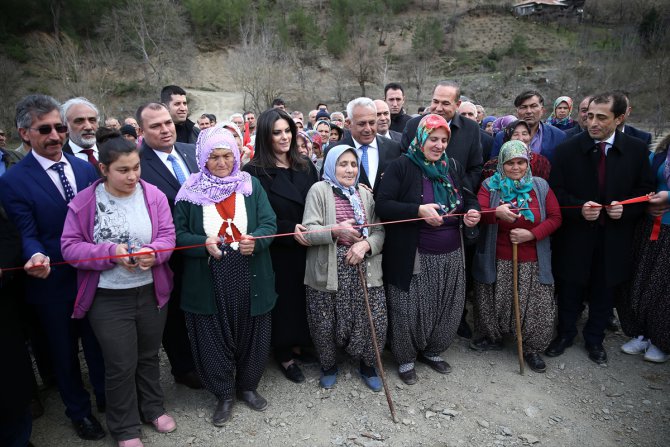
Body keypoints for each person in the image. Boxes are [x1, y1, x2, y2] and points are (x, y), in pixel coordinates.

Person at [61, 129, 177, 447]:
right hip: (108, 297)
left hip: (151, 290)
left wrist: (153, 253)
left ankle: (152, 407)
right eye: (123, 170)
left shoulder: (152, 194)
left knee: (149, 355)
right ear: (104, 169)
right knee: (119, 363)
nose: (132, 176)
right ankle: (125, 427)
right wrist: (110, 253)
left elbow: (168, 236)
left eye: (136, 167)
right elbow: (69, 248)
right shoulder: (85, 202)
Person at [0, 94, 105, 440]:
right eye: (44, 129)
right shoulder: (13, 181)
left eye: (60, 127)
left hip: (93, 275)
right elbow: (26, 232)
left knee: (99, 343)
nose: (55, 135)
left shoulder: (84, 168)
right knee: (63, 352)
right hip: (51, 281)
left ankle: (107, 399)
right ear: (24, 133)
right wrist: (34, 256)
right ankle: (79, 411)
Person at [174, 127, 277, 425]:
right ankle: (223, 394)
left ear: (236, 156)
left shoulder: (250, 185)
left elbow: (269, 223)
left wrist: (256, 240)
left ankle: (247, 387)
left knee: (252, 331)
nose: (221, 163)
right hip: (209, 277)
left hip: (249, 272)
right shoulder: (189, 192)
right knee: (212, 336)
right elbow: (179, 234)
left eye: (227, 156)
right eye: (214, 157)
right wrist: (201, 245)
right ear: (203, 159)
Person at [546, 92, 654, 365]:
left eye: (601, 117)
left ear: (619, 118)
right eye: (589, 115)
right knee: (570, 286)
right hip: (575, 235)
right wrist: (578, 207)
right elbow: (555, 193)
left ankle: (595, 340)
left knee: (605, 290)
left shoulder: (637, 149)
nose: (592, 122)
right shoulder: (567, 150)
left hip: (615, 236)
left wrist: (626, 209)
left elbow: (645, 192)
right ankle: (565, 334)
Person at [376, 114, 481, 385]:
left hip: (450, 253)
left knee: (446, 305)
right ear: (420, 138)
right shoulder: (401, 166)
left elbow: (467, 197)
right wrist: (417, 211)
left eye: (444, 140)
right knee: (408, 309)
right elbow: (383, 206)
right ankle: (406, 357)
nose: (439, 145)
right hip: (414, 255)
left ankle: (433, 351)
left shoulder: (452, 167)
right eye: (433, 139)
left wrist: (471, 211)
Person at [470, 140, 562, 373]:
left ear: (528, 162)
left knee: (534, 306)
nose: (516, 167)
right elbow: (479, 213)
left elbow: (555, 217)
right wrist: (495, 213)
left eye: (520, 162)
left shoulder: (540, 186)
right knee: (496, 302)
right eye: (510, 163)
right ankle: (494, 336)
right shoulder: (490, 185)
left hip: (532, 260)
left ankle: (531, 348)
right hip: (498, 257)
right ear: (501, 163)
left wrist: (531, 234)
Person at [302, 144, 387, 391]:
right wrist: (335, 231)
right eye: (343, 164)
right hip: (328, 265)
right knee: (324, 319)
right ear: (331, 166)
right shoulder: (319, 190)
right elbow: (307, 230)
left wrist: (366, 246)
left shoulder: (366, 194)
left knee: (374, 318)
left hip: (364, 263)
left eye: (353, 164)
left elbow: (380, 230)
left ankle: (369, 364)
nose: (349, 170)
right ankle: (328, 365)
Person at [244, 108, 319, 384]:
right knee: (284, 299)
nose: (284, 137)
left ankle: (301, 343)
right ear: (265, 135)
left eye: (287, 130)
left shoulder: (305, 164)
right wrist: (288, 230)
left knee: (305, 296)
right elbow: (255, 216)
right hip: (279, 248)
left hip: (309, 242)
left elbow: (319, 198)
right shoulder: (253, 172)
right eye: (277, 132)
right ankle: (284, 352)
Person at [137, 102, 202, 389]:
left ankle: (208, 356)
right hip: (168, 254)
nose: (165, 130)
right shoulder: (138, 165)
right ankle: (184, 367)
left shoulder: (192, 153)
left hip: (204, 248)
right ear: (141, 131)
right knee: (174, 313)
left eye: (167, 122)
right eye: (155, 126)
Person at [617, 133, 670, 363]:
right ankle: (642, 332)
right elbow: (644, 182)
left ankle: (661, 339)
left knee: (664, 288)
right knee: (642, 278)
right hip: (650, 227)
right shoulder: (659, 155)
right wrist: (646, 203)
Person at [401, 81, 483, 191]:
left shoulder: (471, 128)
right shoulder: (413, 125)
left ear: (457, 105)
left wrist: (461, 191)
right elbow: (403, 162)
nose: (438, 108)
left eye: (445, 103)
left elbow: (475, 168)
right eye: (435, 102)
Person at [323, 98, 403, 194]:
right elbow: (325, 189)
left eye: (372, 123)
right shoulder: (333, 151)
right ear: (348, 123)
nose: (368, 129)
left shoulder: (394, 149)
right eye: (362, 124)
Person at [491, 91, 566, 162]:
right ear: (517, 111)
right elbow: (494, 167)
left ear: (542, 110)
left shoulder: (558, 136)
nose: (529, 111)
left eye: (533, 106)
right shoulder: (501, 137)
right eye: (523, 107)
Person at [481, 120, 552, 182]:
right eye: (515, 134)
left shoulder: (542, 162)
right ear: (507, 138)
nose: (520, 138)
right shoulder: (491, 165)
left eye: (524, 134)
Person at [62, 97, 102, 173]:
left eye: (92, 120)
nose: (88, 127)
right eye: (79, 121)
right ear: (65, 126)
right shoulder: (59, 160)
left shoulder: (113, 153)